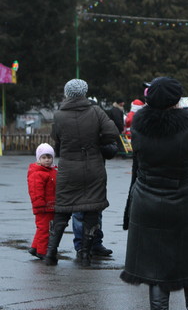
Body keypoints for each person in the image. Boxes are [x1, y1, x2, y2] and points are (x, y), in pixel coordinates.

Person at [120, 77, 188, 310]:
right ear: (176, 100)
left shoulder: (139, 125)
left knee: (155, 270)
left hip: (146, 201)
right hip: (183, 203)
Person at [46, 79, 119, 266]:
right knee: (91, 211)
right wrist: (97, 143)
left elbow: (56, 137)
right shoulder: (95, 111)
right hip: (93, 167)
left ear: (67, 93)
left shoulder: (59, 115)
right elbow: (112, 132)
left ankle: (51, 254)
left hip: (68, 169)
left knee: (62, 212)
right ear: (84, 92)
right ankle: (86, 255)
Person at [27, 143, 57, 260]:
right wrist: (40, 206)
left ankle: (34, 248)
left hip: (50, 206)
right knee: (44, 230)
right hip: (43, 207)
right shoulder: (38, 173)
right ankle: (42, 252)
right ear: (38, 159)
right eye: (44, 158)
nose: (47, 160)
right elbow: (36, 191)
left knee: (42, 228)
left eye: (49, 157)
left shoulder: (51, 171)